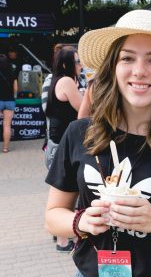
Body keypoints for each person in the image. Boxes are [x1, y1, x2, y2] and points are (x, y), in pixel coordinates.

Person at [45, 9, 151, 277]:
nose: (139, 71)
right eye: (127, 58)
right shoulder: (80, 133)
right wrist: (81, 221)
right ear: (113, 68)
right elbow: (53, 216)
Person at [45, 46, 83, 252]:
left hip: (54, 144)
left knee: (62, 191)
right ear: (68, 64)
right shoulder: (67, 82)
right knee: (67, 193)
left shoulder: (54, 79)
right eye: (77, 62)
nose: (81, 65)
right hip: (62, 146)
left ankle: (59, 233)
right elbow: (84, 110)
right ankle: (62, 241)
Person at [0, 54, 18, 153]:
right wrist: (13, 96)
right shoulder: (12, 73)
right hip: (9, 100)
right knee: (7, 125)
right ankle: (5, 148)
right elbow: (16, 89)